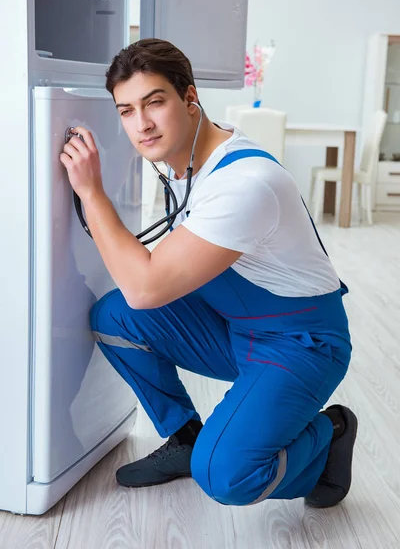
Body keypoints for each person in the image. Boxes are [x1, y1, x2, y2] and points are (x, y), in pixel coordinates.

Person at [60, 38, 357, 509]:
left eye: (154, 102)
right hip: (235, 328)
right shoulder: (188, 164)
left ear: (190, 99)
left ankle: (331, 434)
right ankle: (186, 438)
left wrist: (92, 193)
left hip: (300, 345)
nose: (142, 124)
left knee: (227, 477)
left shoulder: (243, 184)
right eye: (126, 110)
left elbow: (145, 286)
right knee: (114, 317)